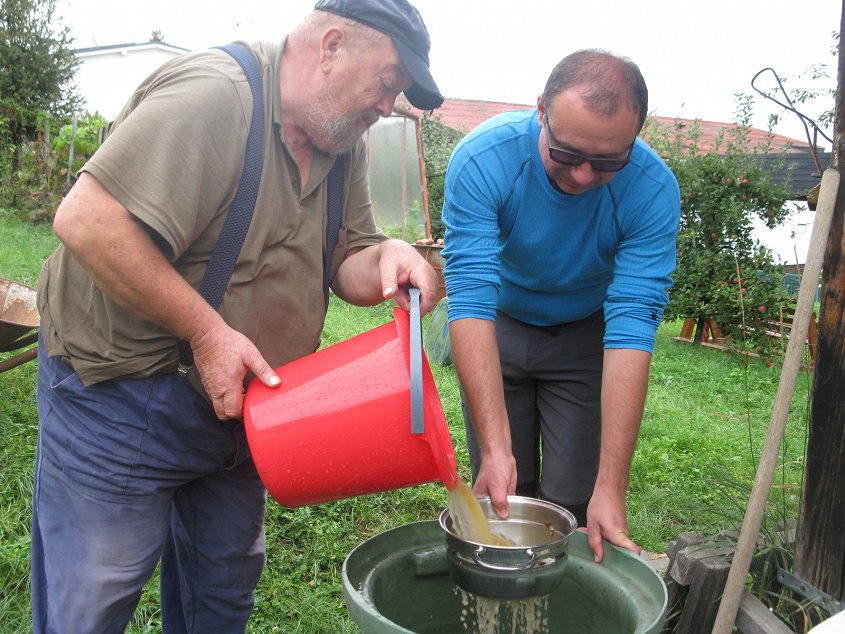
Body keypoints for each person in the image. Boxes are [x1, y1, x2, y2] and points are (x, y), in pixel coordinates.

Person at [31, 0, 443, 631]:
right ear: (331, 45)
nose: (389, 107)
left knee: (221, 591)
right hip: (124, 394)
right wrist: (205, 332)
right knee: (93, 598)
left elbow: (346, 258)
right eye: (388, 84)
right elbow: (87, 221)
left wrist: (383, 253)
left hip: (249, 408)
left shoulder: (341, 138)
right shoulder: (214, 98)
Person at [441, 49, 680, 563]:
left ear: (636, 136)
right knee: (506, 484)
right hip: (498, 324)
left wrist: (611, 489)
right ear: (541, 112)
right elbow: (471, 297)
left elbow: (632, 328)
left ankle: (557, 597)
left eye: (610, 161)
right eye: (569, 154)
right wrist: (497, 448)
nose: (585, 177)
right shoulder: (485, 159)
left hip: (582, 334)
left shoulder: (653, 190)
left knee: (574, 494)